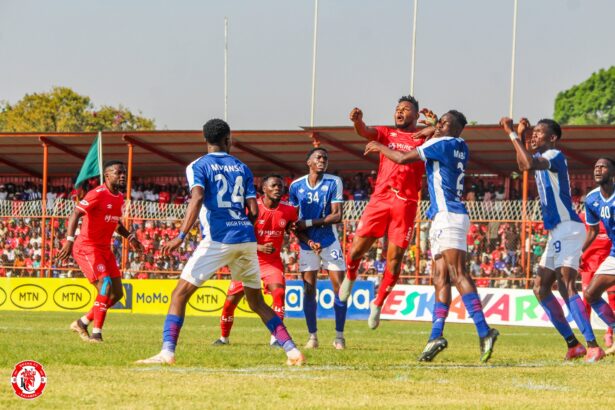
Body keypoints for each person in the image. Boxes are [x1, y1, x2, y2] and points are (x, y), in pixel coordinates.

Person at [136, 119, 303, 366]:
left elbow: (197, 198)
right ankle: (292, 351)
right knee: (257, 302)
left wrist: (181, 236)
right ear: (228, 139)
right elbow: (253, 210)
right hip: (246, 238)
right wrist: (241, 225)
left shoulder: (198, 165)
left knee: (179, 294)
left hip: (218, 238)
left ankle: (167, 353)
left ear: (205, 139)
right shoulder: (242, 167)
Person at [365, 110, 499, 363]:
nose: (439, 125)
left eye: (443, 122)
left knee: (458, 274)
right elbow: (438, 135)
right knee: (440, 278)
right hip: (443, 216)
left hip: (449, 215)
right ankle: (436, 336)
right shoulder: (461, 145)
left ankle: (485, 331)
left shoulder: (440, 143)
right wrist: (433, 128)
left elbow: (403, 158)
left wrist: (380, 146)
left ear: (452, 127)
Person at [500, 117, 604, 362]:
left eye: (539, 132)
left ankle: (593, 346)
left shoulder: (554, 155)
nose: (534, 135)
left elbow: (526, 163)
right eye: (533, 132)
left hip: (568, 228)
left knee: (566, 285)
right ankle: (573, 345)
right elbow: (524, 163)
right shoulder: (541, 157)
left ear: (553, 138)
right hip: (557, 231)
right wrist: (521, 137)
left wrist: (512, 134)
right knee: (540, 288)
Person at [339, 96, 429, 330]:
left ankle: (378, 303)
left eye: (405, 109)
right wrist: (357, 122)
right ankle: (350, 276)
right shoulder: (387, 133)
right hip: (381, 199)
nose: (399, 112)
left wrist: (434, 124)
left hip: (406, 203)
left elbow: (444, 131)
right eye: (397, 109)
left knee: (395, 260)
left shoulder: (423, 138)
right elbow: (365, 131)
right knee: (356, 250)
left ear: (416, 115)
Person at [56, 161, 143, 342]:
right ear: (107, 175)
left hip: (104, 249)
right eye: (118, 172)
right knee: (105, 285)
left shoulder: (119, 197)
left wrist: (131, 237)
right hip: (87, 247)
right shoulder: (97, 194)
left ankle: (82, 322)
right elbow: (75, 213)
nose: (122, 176)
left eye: (124, 173)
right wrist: (69, 240)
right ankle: (96, 334)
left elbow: (115, 222)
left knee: (117, 294)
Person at [212, 174, 298, 347]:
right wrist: (259, 247)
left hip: (271, 263)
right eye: (273, 185)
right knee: (230, 303)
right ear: (264, 189)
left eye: (280, 186)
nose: (277, 188)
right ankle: (223, 338)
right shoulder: (252, 209)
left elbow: (293, 227)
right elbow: (238, 235)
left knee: (279, 293)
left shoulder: (289, 211)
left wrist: (295, 229)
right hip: (247, 260)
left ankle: (276, 338)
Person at [289, 147, 348, 350]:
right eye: (319, 157)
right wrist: (308, 239)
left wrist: (309, 222)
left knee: (340, 290)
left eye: (325, 158)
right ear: (309, 162)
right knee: (308, 290)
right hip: (307, 244)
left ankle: (339, 337)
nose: (323, 160)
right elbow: (294, 224)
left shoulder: (334, 182)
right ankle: (312, 337)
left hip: (329, 241)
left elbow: (337, 215)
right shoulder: (296, 186)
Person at [581, 158, 615, 355]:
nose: (598, 169)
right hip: (614, 254)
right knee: (590, 294)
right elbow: (592, 231)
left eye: (603, 166)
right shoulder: (591, 199)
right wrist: (580, 252)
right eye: (596, 167)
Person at [579, 207, 615, 348]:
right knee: (587, 300)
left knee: (613, 298)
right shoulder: (584, 216)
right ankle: (589, 339)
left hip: (608, 262)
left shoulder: (611, 213)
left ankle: (609, 332)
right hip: (588, 264)